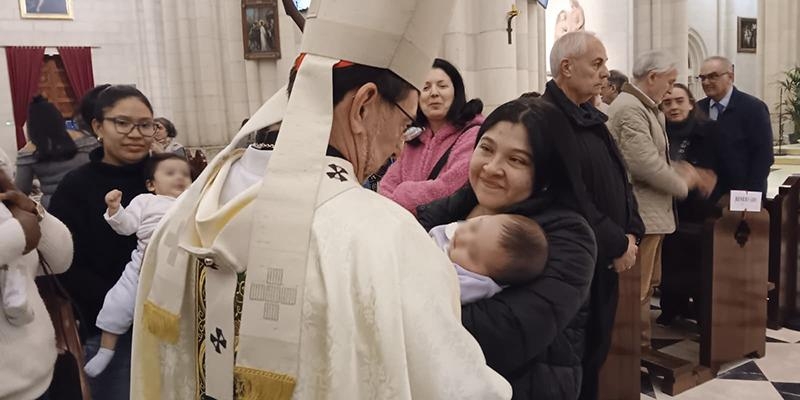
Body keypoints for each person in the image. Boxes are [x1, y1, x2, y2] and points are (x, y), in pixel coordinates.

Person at [132, 1, 512, 398]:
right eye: (404, 123)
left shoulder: (189, 206)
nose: (400, 150)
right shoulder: (386, 238)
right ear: (363, 105)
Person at [417, 98, 597, 399]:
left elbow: (502, 334)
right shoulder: (445, 213)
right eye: (486, 148)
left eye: (517, 160)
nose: (491, 168)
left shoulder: (566, 238)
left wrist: (403, 311)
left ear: (545, 173)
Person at [541, 31, 644, 400]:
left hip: (604, 258)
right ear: (566, 68)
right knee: (573, 362)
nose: (605, 72)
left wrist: (633, 231)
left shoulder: (590, 116)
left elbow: (620, 178)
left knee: (596, 353)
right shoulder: (549, 119)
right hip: (575, 264)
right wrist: (617, 242)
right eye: (597, 63)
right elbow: (573, 196)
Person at [49, 85, 155, 399]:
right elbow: (64, 263)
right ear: (98, 126)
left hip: (173, 322)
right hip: (111, 329)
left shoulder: (169, 176)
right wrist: (121, 305)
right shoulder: (77, 185)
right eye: (122, 123)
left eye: (146, 124)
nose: (136, 133)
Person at [607, 50, 715, 349]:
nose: (671, 89)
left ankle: (640, 348)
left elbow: (655, 159)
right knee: (637, 289)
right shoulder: (630, 108)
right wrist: (685, 181)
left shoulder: (645, 107)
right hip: (642, 214)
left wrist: (682, 170)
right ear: (652, 77)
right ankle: (632, 354)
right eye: (670, 81)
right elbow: (644, 164)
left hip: (653, 214)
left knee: (648, 285)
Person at [83, 154, 191, 378]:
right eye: (170, 173)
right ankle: (106, 349)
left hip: (180, 266)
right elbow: (126, 226)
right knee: (118, 302)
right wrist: (115, 209)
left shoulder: (194, 200)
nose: (180, 178)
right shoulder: (146, 201)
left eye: (186, 174)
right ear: (151, 184)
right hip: (142, 264)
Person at [0, 159, 74, 400]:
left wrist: (33, 212)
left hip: (38, 374)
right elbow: (21, 238)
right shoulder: (14, 231)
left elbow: (59, 261)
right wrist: (18, 235)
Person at [379, 58, 484, 214]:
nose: (434, 93)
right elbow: (386, 187)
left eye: (442, 86)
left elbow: (450, 186)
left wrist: (404, 194)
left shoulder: (472, 133)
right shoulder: (414, 140)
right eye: (425, 87)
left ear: (456, 91)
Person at [658, 83, 722, 325]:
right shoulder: (659, 131)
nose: (673, 107)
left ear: (691, 103)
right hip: (668, 206)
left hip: (699, 208)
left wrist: (696, 175)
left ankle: (701, 312)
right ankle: (672, 307)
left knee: (698, 265)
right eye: (667, 102)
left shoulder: (709, 131)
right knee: (670, 261)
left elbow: (717, 169)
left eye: (679, 101)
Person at [429, 214, 548, 304]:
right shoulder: (456, 228)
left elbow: (434, 291)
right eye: (474, 227)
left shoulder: (475, 285)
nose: (463, 237)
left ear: (486, 277)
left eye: (472, 254)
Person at [696, 56, 773, 195]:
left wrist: (750, 195)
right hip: (708, 196)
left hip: (744, 194)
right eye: (702, 78)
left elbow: (763, 156)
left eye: (713, 76)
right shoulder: (698, 109)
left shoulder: (753, 108)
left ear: (730, 77)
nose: (706, 82)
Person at [16, 96, 99, 209]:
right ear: (58, 117)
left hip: (55, 207)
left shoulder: (28, 151)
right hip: (92, 199)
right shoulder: (85, 138)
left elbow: (21, 189)